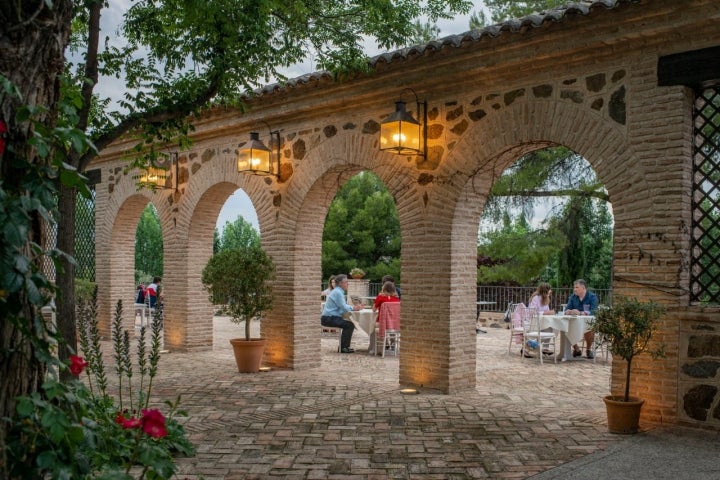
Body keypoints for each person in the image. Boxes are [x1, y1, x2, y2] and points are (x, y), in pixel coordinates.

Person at [321, 274, 363, 353]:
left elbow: (343, 305)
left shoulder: (337, 291)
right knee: (349, 325)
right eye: (346, 282)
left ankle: (344, 347)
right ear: (340, 283)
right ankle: (343, 348)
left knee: (349, 324)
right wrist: (354, 308)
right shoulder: (338, 292)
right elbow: (343, 307)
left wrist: (353, 307)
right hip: (329, 318)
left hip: (329, 317)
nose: (348, 283)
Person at [564, 279, 599, 358]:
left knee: (589, 328)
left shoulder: (592, 297)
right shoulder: (573, 297)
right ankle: (576, 349)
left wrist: (580, 313)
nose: (574, 289)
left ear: (583, 288)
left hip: (588, 322)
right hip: (575, 322)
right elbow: (567, 309)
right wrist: (568, 311)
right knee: (566, 327)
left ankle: (588, 350)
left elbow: (594, 311)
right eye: (574, 287)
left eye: (577, 287)